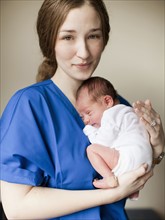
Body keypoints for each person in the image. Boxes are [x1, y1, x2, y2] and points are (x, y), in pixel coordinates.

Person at [0, 0, 164, 219]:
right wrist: (112, 193)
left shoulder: (117, 105)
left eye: (93, 36)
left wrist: (156, 149)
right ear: (50, 41)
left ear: (104, 39)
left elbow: (131, 169)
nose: (84, 52)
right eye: (68, 37)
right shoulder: (29, 105)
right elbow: (16, 209)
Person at [76, 76, 153, 200]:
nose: (86, 120)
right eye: (82, 117)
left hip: (129, 158)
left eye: (89, 113)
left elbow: (102, 142)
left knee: (92, 150)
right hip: (146, 161)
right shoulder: (128, 111)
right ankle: (133, 191)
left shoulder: (110, 115)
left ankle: (109, 178)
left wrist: (89, 130)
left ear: (107, 101)